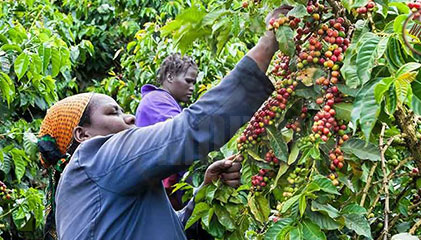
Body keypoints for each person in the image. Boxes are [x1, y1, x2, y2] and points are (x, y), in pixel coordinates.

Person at [37, 6, 291, 239]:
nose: (131, 117)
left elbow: (170, 230)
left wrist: (203, 191)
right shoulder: (95, 158)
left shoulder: (90, 187)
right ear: (82, 135)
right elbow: (191, 130)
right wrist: (269, 42)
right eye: (113, 112)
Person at [136, 53, 198, 211]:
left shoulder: (165, 102)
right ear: (170, 76)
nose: (192, 87)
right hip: (164, 192)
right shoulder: (157, 101)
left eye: (194, 82)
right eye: (188, 81)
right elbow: (184, 134)